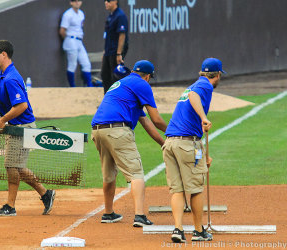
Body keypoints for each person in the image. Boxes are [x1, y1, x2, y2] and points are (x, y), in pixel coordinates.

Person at [91, 60, 167, 227]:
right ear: (147, 76)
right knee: (136, 173)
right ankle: (139, 215)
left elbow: (145, 122)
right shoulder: (142, 85)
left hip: (97, 130)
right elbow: (156, 120)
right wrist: (174, 133)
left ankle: (108, 213)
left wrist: (163, 142)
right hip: (117, 130)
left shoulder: (122, 84)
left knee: (108, 173)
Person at [0, 40, 55, 216]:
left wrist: (2, 119)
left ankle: (10, 206)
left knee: (11, 166)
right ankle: (45, 194)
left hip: (21, 126)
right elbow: (9, 97)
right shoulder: (6, 74)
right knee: (16, 166)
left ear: (4, 55)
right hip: (19, 126)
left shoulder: (10, 78)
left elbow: (22, 105)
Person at [162, 58, 225, 243]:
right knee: (196, 188)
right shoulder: (204, 86)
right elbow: (194, 97)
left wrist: (205, 154)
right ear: (218, 74)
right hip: (186, 144)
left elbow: (192, 129)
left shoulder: (192, 85)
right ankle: (198, 231)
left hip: (171, 144)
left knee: (177, 189)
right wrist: (204, 117)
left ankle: (178, 230)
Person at [59, 0, 92, 87]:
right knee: (72, 64)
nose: (77, 2)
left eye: (79, 0)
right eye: (75, 1)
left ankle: (90, 86)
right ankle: (72, 87)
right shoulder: (67, 14)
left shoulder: (81, 13)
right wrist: (68, 40)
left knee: (86, 63)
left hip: (79, 40)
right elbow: (62, 31)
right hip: (71, 39)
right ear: (71, 2)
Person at [101, 0, 128, 93]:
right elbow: (108, 36)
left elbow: (122, 35)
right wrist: (105, 52)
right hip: (109, 50)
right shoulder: (111, 16)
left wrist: (119, 53)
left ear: (115, 1)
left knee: (116, 77)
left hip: (116, 51)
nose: (106, 3)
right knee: (105, 75)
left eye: (108, 1)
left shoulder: (120, 16)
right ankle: (107, 101)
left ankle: (117, 102)